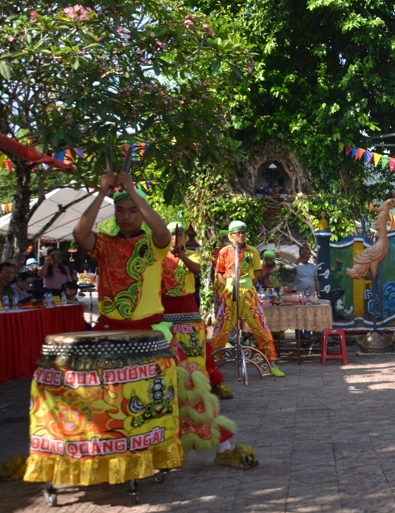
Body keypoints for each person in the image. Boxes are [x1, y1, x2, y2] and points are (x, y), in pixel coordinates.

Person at [162, 222, 255, 468]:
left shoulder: (191, 253)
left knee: (195, 369)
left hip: (188, 313)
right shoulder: (157, 257)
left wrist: (179, 253)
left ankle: (212, 395)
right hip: (163, 315)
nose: (175, 238)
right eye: (171, 234)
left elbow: (195, 269)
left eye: (179, 234)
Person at [73, 172, 171, 332]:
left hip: (149, 328)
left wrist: (132, 191)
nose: (126, 216)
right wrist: (102, 193)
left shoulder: (152, 244)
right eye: (120, 210)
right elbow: (80, 234)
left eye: (133, 211)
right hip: (110, 327)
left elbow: (162, 232)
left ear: (142, 212)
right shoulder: (104, 244)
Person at [211, 220, 283, 377]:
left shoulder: (253, 252)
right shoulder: (223, 252)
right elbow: (219, 273)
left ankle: (271, 365)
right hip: (230, 290)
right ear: (231, 235)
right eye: (238, 233)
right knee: (221, 328)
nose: (242, 235)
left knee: (261, 326)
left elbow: (257, 273)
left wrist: (246, 286)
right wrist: (229, 287)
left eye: (244, 232)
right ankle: (212, 366)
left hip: (248, 290)